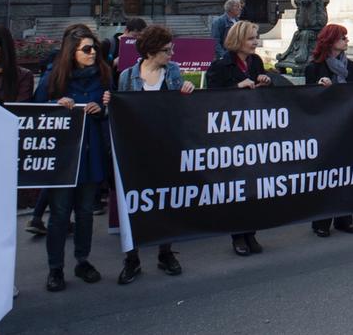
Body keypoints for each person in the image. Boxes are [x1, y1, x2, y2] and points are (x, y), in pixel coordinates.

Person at [34, 26, 113, 292]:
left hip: (91, 156)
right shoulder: (54, 79)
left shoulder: (103, 77)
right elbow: (35, 113)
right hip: (64, 158)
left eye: (95, 49)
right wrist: (56, 107)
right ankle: (55, 268)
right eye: (87, 50)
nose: (93, 54)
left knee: (85, 213)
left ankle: (83, 260)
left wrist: (102, 108)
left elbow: (112, 110)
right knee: (58, 214)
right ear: (72, 53)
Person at [113, 23, 194, 284]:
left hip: (166, 146)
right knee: (133, 204)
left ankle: (166, 252)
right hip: (136, 149)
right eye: (166, 50)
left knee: (167, 200)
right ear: (150, 51)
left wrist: (185, 95)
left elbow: (180, 110)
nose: (172, 55)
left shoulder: (173, 73)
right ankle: (132, 258)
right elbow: (121, 112)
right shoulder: (127, 76)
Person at [205, 19, 272, 255]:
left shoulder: (255, 62)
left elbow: (262, 90)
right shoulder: (220, 66)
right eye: (252, 38)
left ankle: (251, 233)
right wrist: (236, 87)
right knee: (237, 188)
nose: (256, 42)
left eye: (256, 38)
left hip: (254, 133)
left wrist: (264, 81)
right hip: (231, 136)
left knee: (253, 186)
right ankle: (237, 236)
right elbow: (210, 100)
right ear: (238, 40)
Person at [305, 24, 353, 236]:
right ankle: (321, 221)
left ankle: (344, 218)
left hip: (347, 125)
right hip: (325, 128)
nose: (346, 40)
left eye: (346, 37)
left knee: (346, 174)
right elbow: (307, 100)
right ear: (330, 40)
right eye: (342, 37)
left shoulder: (350, 66)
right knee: (326, 175)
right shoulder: (315, 67)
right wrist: (320, 88)